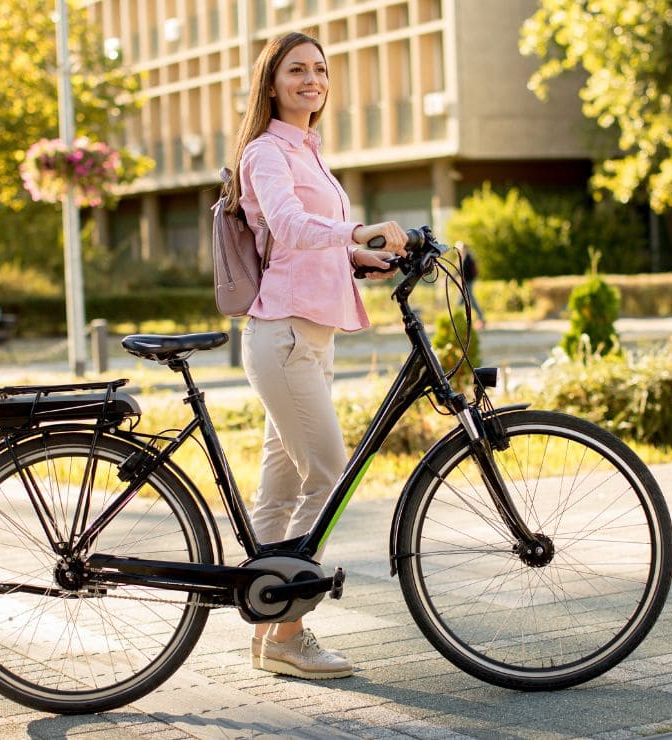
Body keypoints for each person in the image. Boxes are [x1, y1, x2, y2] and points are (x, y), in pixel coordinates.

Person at [225, 31, 408, 680]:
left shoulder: (309, 150)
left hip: (311, 338)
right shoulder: (266, 154)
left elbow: (316, 246)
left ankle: (268, 627)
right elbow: (292, 226)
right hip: (284, 337)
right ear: (272, 82)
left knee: (280, 493)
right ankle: (289, 630)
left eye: (321, 70)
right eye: (297, 69)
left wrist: (369, 257)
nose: (312, 79)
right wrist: (357, 230)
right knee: (328, 474)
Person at [456, 241, 485, 329]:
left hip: (468, 282)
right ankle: (457, 317)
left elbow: (461, 270)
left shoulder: (467, 258)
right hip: (465, 282)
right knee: (464, 300)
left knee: (468, 300)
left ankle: (480, 318)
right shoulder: (463, 257)